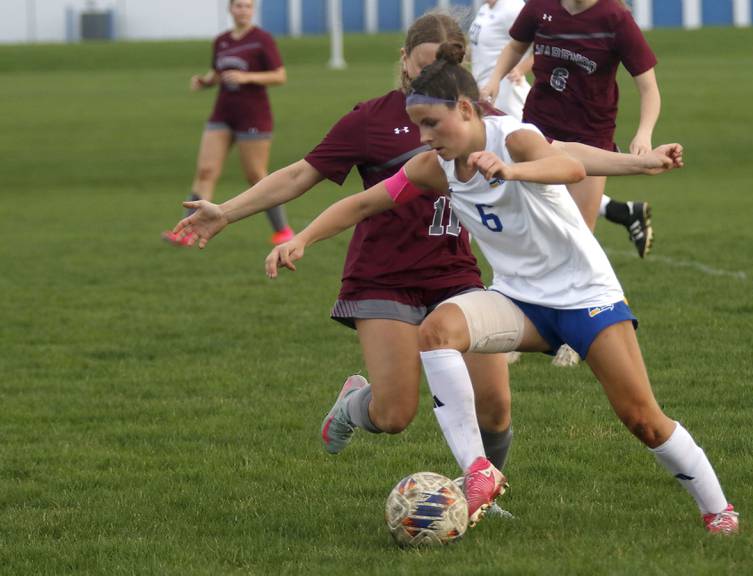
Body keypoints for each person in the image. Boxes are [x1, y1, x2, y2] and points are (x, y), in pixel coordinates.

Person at [263, 43, 739, 535]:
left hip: (585, 298)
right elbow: (363, 204)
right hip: (518, 300)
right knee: (437, 331)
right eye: (419, 126)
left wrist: (514, 171)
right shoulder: (436, 165)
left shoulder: (513, 138)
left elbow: (570, 168)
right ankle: (478, 473)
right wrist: (301, 238)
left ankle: (718, 509)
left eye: (432, 124)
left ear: (465, 109)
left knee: (643, 419)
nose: (425, 138)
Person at [169, 13, 517, 517]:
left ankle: (480, 499)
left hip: (455, 276)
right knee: (395, 413)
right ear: (402, 61)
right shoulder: (372, 119)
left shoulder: (484, 120)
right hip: (384, 279)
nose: (427, 83)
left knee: (496, 405)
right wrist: (226, 211)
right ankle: (354, 403)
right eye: (419, 70)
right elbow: (297, 175)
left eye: (439, 72)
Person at [481, 0, 661, 259]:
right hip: (539, 130)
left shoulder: (616, 19)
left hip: (591, 137)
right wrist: (494, 79)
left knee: (579, 239)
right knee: (534, 231)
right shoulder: (540, 7)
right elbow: (514, 46)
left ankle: (593, 297)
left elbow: (649, 88)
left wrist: (644, 133)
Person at [162, 0, 294, 247]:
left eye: (247, 6)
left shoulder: (262, 39)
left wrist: (247, 77)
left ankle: (283, 231)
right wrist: (204, 81)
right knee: (205, 172)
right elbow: (216, 73)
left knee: (256, 176)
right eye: (238, 6)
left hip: (253, 116)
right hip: (222, 114)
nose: (243, 10)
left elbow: (280, 75)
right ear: (230, 9)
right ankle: (186, 231)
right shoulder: (221, 40)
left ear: (252, 10)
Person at [469, 0, 532, 120]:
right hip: (484, 92)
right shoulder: (485, 8)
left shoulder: (513, 8)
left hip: (507, 94)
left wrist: (521, 68)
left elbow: (545, 44)